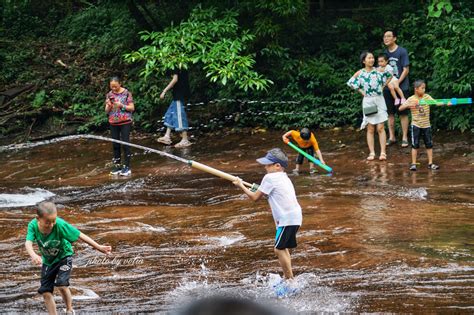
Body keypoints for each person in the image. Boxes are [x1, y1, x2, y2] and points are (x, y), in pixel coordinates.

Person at [25, 201, 112, 315]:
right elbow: (28, 242)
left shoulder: (60, 225)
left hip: (64, 257)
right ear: (38, 218)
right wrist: (34, 255)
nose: (51, 225)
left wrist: (98, 247)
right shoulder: (32, 226)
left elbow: (79, 235)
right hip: (48, 261)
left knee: (61, 284)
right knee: (46, 291)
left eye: (53, 220)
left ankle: (69, 310)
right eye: (47, 222)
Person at [233, 148, 302, 283]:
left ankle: (289, 280)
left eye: (268, 164)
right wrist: (256, 188)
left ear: (277, 166)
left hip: (286, 219)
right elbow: (269, 193)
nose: (265, 167)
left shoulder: (270, 178)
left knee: (278, 249)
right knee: (282, 248)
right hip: (294, 217)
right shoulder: (284, 177)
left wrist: (240, 185)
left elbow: (254, 197)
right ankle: (289, 277)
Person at [347, 51, 392, 161]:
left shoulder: (378, 70)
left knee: (380, 127)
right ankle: (372, 152)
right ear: (364, 61)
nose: (372, 59)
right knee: (370, 128)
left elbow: (390, 75)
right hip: (368, 101)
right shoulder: (360, 73)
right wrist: (362, 92)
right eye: (369, 58)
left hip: (379, 100)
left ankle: (383, 152)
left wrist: (383, 86)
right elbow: (351, 82)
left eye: (372, 58)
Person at [398, 80, 442, 171]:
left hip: (426, 125)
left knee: (429, 144)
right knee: (415, 145)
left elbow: (436, 102)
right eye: (422, 88)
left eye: (424, 88)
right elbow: (400, 108)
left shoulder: (427, 97)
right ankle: (413, 164)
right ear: (416, 89)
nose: (424, 90)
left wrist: (446, 103)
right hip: (416, 125)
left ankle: (430, 163)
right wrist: (410, 104)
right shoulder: (411, 98)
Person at [383, 29, 411, 147]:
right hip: (388, 88)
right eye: (384, 37)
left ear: (395, 38)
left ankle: (404, 137)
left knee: (403, 113)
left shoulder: (402, 51)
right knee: (390, 113)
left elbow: (406, 69)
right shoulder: (384, 54)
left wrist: (398, 82)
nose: (386, 38)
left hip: (401, 87)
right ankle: (392, 137)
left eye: (389, 36)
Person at [105, 76, 135, 176]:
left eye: (115, 86)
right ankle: (117, 166)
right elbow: (106, 111)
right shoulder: (109, 94)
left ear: (120, 84)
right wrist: (108, 105)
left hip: (125, 121)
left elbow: (132, 108)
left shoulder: (127, 93)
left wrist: (122, 105)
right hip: (113, 122)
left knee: (125, 143)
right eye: (111, 86)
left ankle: (127, 166)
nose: (113, 88)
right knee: (115, 145)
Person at [157, 69, 192, 148]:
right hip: (178, 94)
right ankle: (167, 136)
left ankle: (185, 139)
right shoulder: (179, 63)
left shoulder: (175, 64)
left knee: (179, 116)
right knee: (171, 113)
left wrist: (164, 91)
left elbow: (175, 79)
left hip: (180, 95)